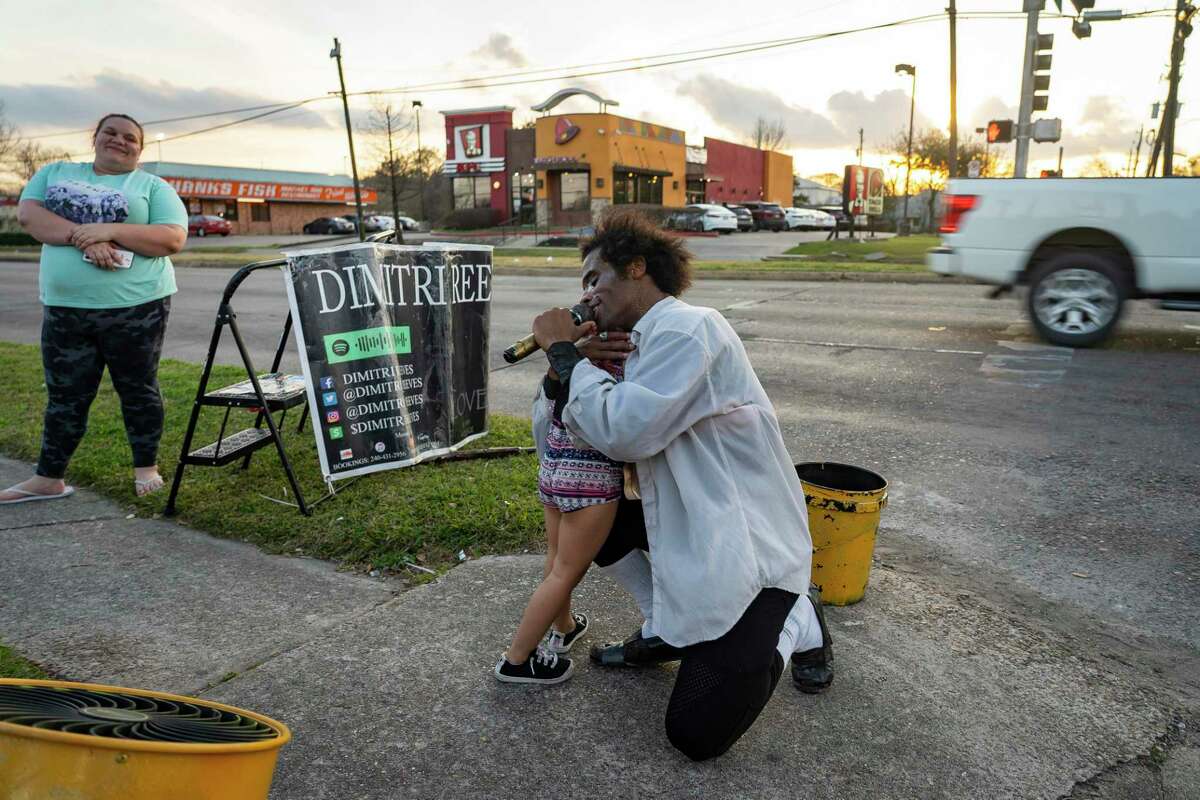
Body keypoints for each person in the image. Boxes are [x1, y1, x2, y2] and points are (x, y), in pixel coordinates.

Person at [529, 209, 834, 761]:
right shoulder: (625, 348)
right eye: (582, 285)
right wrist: (562, 371)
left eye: (595, 278)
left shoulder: (691, 329)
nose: (587, 294)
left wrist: (566, 356)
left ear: (638, 268)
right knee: (591, 513)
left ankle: (797, 618)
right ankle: (663, 625)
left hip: (748, 550)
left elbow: (624, 431)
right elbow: (555, 436)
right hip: (684, 521)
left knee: (696, 734)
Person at [0, 113, 187, 506]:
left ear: (140, 148)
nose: (119, 141)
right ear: (95, 137)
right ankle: (48, 478)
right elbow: (30, 216)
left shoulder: (151, 186)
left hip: (137, 307)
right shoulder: (55, 172)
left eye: (129, 138)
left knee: (138, 388)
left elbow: (171, 238)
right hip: (66, 308)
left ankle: (146, 468)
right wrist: (85, 238)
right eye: (111, 133)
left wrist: (112, 230)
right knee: (65, 394)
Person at [494, 325, 636, 685]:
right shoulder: (627, 354)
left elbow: (551, 400)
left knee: (556, 559)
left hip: (553, 464)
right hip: (589, 477)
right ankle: (517, 659)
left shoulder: (575, 351)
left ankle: (564, 629)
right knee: (566, 571)